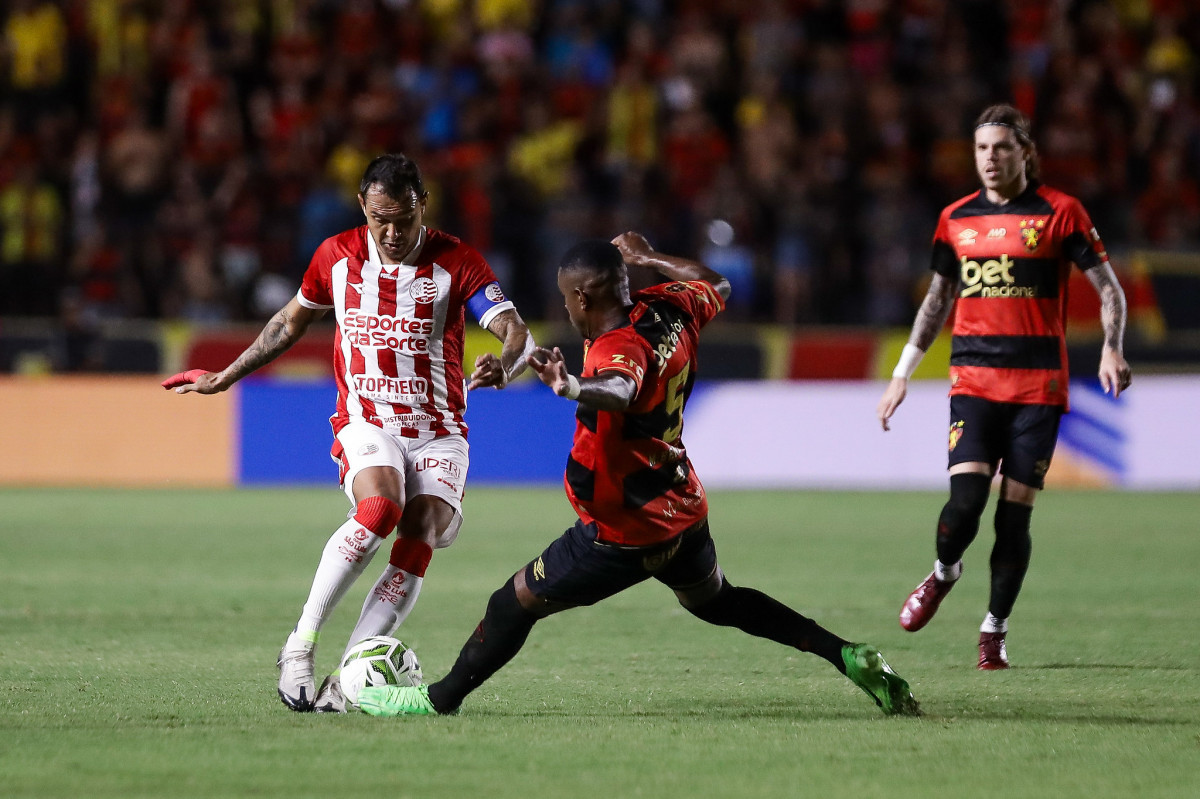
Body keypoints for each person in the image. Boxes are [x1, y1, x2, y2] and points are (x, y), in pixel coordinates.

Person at [355, 234, 920, 718]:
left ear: (582, 297)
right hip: (680, 505)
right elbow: (716, 283)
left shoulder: (617, 348)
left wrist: (570, 386)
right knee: (718, 601)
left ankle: (437, 701)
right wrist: (651, 257)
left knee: (513, 602)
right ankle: (847, 655)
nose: (566, 310)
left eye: (566, 299)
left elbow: (621, 388)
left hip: (622, 529)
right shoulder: (670, 305)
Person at [162, 153, 533, 711]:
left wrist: (505, 363)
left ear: (423, 206)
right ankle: (300, 645)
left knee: (421, 531)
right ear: (362, 206)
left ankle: (349, 675)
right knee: (381, 508)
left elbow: (516, 332)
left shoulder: (457, 262)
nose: (392, 233)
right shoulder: (335, 256)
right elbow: (289, 322)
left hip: (438, 431)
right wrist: (224, 376)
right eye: (380, 219)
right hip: (367, 419)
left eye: (404, 219)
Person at [876, 104, 1132, 669]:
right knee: (965, 502)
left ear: (1025, 153)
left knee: (1014, 518)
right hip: (974, 382)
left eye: (1001, 147)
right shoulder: (955, 219)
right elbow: (937, 300)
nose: (990, 158)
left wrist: (1112, 346)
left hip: (1039, 389)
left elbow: (1109, 289)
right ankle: (944, 572)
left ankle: (994, 630)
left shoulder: (1061, 212)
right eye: (981, 149)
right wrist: (901, 374)